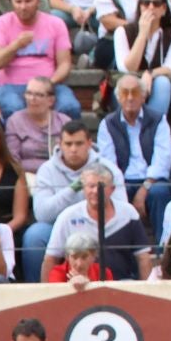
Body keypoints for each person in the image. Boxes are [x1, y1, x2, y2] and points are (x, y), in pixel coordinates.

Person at [23, 118, 125, 278]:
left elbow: (120, 207)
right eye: (68, 144)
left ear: (89, 143)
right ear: (60, 144)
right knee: (35, 234)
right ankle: (36, 289)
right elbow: (42, 214)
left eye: (79, 143)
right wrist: (74, 187)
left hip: (98, 225)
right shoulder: (47, 170)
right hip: (61, 227)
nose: (73, 149)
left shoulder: (109, 168)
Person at [0, 0, 79, 117]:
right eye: (18, 2)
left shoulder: (56, 23)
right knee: (13, 108)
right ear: (11, 3)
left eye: (28, 1)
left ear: (38, 2)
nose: (23, 7)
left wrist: (48, 83)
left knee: (69, 106)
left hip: (48, 84)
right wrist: (16, 45)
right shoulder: (1, 23)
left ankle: (63, 139)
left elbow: (65, 63)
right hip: (12, 86)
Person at [48, 164, 153, 276]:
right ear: (83, 188)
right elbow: (51, 258)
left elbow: (143, 257)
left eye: (101, 186)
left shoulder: (128, 213)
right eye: (91, 186)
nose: (95, 191)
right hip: (79, 286)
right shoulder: (68, 216)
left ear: (112, 189)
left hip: (122, 284)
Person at [113, 0, 171, 123]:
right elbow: (127, 68)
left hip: (159, 84)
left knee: (163, 82)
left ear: (164, 9)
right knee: (128, 84)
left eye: (156, 4)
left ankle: (152, 128)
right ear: (140, 6)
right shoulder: (122, 31)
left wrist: (150, 74)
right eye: (146, 3)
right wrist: (142, 34)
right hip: (128, 81)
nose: (151, 7)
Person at [4, 75, 71, 170]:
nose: (32, 98)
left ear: (51, 100)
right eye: (29, 93)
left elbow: (71, 157)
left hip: (58, 175)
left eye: (39, 95)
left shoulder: (64, 122)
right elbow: (12, 159)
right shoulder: (15, 121)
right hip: (26, 176)